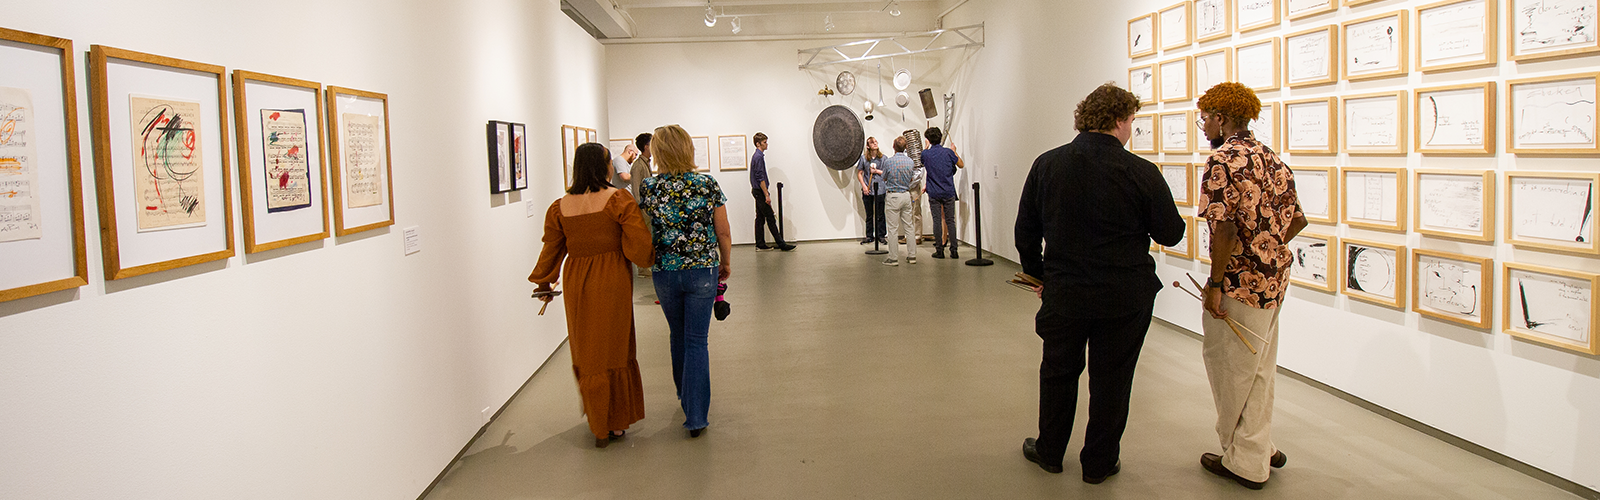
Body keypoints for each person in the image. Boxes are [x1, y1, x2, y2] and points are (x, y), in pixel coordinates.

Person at [1014, 83, 1186, 483]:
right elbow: (1171, 233)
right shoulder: (1141, 172)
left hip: (1066, 292)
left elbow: (1026, 230)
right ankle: (1098, 463)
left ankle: (1050, 450)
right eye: (1132, 123)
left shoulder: (1047, 164)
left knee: (1058, 371)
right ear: (1120, 121)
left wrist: (1039, 276)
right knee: (1112, 380)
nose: (1132, 131)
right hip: (1123, 297)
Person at [1195, 82, 1307, 490]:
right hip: (1274, 281)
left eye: (1205, 116)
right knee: (1259, 368)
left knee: (1230, 371)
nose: (1203, 124)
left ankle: (1244, 460)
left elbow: (1223, 230)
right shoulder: (1272, 159)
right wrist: (1268, 250)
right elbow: (1297, 221)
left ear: (1221, 118)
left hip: (1239, 285)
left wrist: (1216, 283)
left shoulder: (1222, 160)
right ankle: (1259, 446)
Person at [529, 143, 654, 449]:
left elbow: (552, 249)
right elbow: (638, 246)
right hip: (611, 278)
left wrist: (545, 282)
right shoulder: (618, 199)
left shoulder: (560, 206)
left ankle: (598, 422)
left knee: (587, 351)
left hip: (576, 282)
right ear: (603, 168)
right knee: (615, 348)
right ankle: (615, 422)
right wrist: (649, 258)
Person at [638, 124, 733, 437]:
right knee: (696, 340)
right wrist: (726, 261)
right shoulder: (706, 184)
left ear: (659, 152)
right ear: (688, 149)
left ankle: (684, 395)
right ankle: (696, 416)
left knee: (677, 335)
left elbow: (645, 229)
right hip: (702, 270)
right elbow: (723, 230)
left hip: (665, 271)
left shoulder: (650, 187)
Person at [920, 127, 964, 259]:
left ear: (928, 140)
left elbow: (923, 161)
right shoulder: (948, 152)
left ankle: (939, 250)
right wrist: (954, 152)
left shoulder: (925, 154)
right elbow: (961, 165)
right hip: (948, 190)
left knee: (937, 220)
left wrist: (926, 147)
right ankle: (954, 250)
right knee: (950, 221)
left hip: (934, 192)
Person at [749, 132, 794, 251]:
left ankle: (760, 244)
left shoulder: (757, 156)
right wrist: (766, 194)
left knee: (760, 218)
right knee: (770, 217)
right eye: (764, 142)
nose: (766, 144)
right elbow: (760, 178)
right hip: (759, 192)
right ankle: (781, 244)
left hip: (757, 191)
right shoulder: (758, 157)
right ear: (758, 144)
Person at [879, 136, 918, 266]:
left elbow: (884, 177)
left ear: (893, 146)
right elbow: (912, 179)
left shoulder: (888, 162)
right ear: (906, 147)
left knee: (893, 229)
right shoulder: (910, 162)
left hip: (893, 196)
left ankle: (893, 258)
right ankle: (912, 256)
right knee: (909, 227)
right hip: (906, 195)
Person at [630, 133, 656, 277]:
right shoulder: (638, 166)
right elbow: (636, 189)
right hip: (643, 208)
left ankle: (647, 266)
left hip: (647, 207)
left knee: (649, 237)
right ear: (646, 146)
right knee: (645, 238)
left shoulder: (645, 163)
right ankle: (643, 268)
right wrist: (643, 208)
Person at [856, 137, 887, 244]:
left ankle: (881, 235)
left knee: (880, 214)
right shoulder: (864, 158)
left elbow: (886, 174)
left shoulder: (883, 158)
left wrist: (876, 171)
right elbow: (859, 173)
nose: (875, 144)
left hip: (880, 190)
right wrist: (864, 186)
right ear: (868, 146)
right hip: (868, 190)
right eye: (872, 142)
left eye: (876, 142)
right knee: (869, 214)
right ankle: (869, 235)